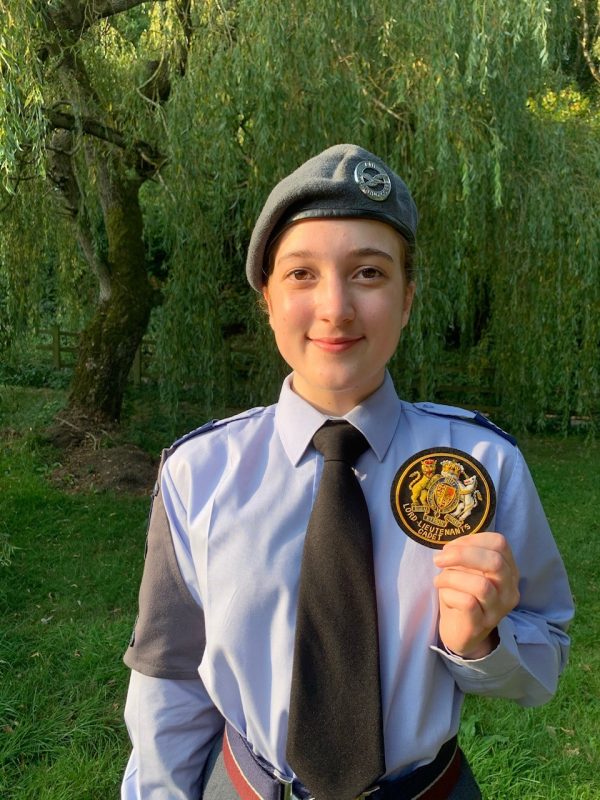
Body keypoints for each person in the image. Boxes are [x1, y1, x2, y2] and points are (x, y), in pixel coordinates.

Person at [121, 144, 574, 800]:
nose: (335, 308)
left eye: (369, 273)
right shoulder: (199, 474)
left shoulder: (483, 466)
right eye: (302, 275)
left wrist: (483, 643)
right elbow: (170, 676)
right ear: (268, 301)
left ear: (408, 298)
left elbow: (544, 660)